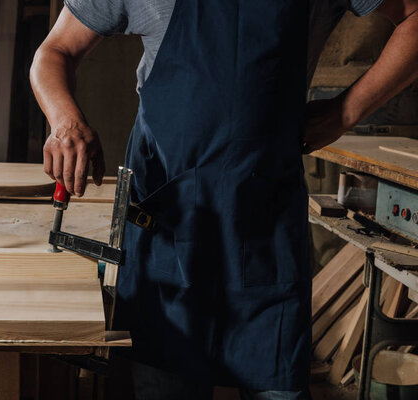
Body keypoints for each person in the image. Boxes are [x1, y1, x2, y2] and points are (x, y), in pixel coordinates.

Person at [30, 0, 418, 398]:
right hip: (168, 228)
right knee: (164, 386)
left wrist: (345, 112)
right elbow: (53, 52)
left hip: (264, 234)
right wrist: (65, 120)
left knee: (279, 386)